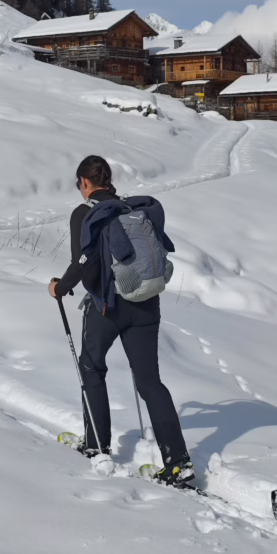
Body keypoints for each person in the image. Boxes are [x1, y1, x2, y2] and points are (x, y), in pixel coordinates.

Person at [50, 155, 194, 486]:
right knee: (150, 383)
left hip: (108, 308)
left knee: (92, 367)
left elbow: (81, 263)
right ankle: (177, 460)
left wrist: (60, 287)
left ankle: (97, 445)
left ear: (84, 183)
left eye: (78, 184)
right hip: (146, 303)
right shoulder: (133, 210)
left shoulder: (85, 213)